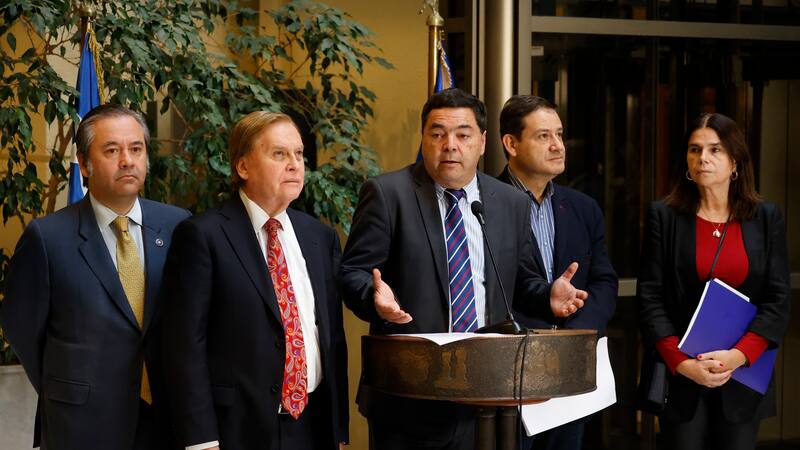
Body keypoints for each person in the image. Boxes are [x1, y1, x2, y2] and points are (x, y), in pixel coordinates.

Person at [339, 88, 588, 450]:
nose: (450, 146)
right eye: (437, 134)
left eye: (463, 135)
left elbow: (520, 283)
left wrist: (547, 296)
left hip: (491, 395)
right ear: (423, 138)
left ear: (483, 142)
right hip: (410, 397)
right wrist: (373, 298)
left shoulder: (510, 203)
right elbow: (353, 273)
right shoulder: (388, 195)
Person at [0, 104, 190, 450]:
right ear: (84, 164)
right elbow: (22, 328)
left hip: (165, 420)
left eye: (136, 149)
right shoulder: (48, 237)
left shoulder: (178, 226)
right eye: (112, 150)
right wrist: (68, 384)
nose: (127, 161)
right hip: (81, 422)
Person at [160, 111, 348, 450]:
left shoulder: (319, 237)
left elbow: (332, 337)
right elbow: (185, 346)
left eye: (298, 154)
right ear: (243, 167)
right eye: (279, 154)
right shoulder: (202, 236)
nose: (294, 165)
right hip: (238, 430)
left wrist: (338, 430)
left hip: (312, 425)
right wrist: (201, 439)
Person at [637, 112, 790, 450]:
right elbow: (650, 298)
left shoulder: (765, 217)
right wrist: (681, 363)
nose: (702, 158)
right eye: (695, 149)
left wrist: (738, 356)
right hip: (682, 375)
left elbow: (778, 299)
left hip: (743, 373)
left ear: (735, 161)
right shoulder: (664, 215)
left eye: (715, 149)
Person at [497, 95, 618, 450]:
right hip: (509, 370)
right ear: (511, 144)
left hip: (569, 370)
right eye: (543, 136)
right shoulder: (486, 204)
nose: (558, 146)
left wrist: (576, 336)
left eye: (560, 135)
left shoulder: (583, 207)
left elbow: (604, 280)